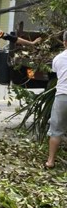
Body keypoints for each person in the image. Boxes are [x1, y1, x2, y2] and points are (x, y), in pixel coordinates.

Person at [45, 31, 67, 169]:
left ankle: (50, 161)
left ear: (64, 42)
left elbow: (57, 74)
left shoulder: (58, 59)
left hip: (62, 97)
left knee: (56, 130)